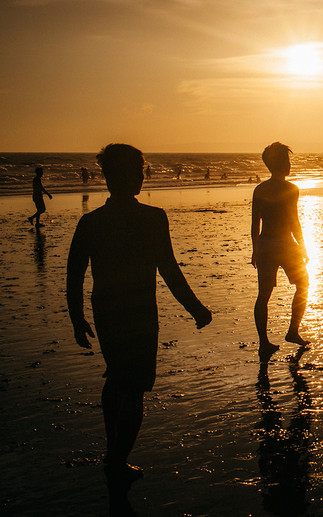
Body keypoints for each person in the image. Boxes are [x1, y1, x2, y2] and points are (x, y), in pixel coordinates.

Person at [66, 143, 212, 496]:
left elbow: (74, 276)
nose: (140, 177)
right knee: (134, 388)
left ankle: (113, 453)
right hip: (137, 310)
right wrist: (195, 308)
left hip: (107, 309)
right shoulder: (151, 217)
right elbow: (169, 270)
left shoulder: (92, 222)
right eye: (137, 171)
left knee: (117, 376)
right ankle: (116, 461)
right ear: (122, 176)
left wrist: (77, 317)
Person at [252, 142, 310, 362]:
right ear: (279, 164)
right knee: (303, 285)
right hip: (285, 244)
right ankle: (292, 331)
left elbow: (254, 224)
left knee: (263, 296)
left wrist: (255, 249)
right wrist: (302, 245)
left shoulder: (260, 189)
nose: (289, 164)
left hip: (266, 244)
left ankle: (264, 342)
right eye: (286, 161)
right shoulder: (290, 189)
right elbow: (293, 220)